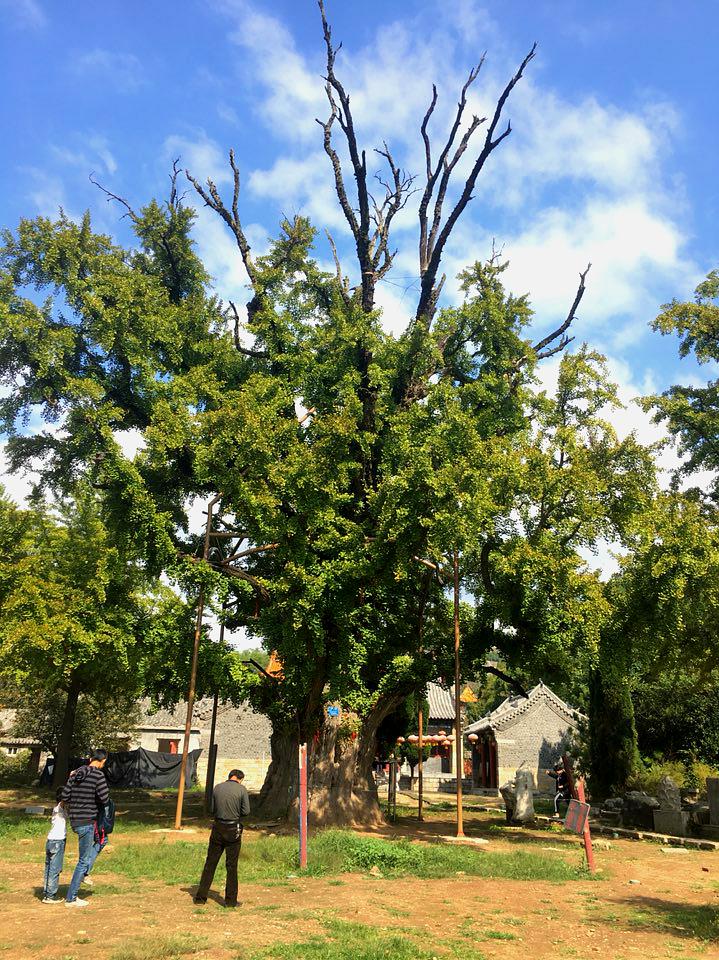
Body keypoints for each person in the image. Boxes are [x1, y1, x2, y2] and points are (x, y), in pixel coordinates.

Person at [61, 748, 110, 907]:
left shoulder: (76, 773)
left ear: (90, 758)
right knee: (82, 860)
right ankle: (71, 898)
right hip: (88, 820)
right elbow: (104, 798)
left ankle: (85, 872)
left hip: (75, 821)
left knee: (102, 840)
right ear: (102, 761)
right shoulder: (98, 775)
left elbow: (65, 796)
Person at [194, 769, 250, 908]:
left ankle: (200, 898)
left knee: (210, 863)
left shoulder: (217, 787)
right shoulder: (241, 789)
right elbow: (246, 811)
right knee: (231, 866)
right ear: (240, 778)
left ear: (230, 776)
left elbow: (212, 808)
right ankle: (230, 901)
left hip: (218, 828)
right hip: (233, 830)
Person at [41, 788, 67, 903]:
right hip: (57, 841)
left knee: (49, 868)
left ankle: (47, 892)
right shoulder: (59, 808)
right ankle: (50, 896)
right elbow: (64, 798)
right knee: (54, 869)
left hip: (51, 841)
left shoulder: (58, 809)